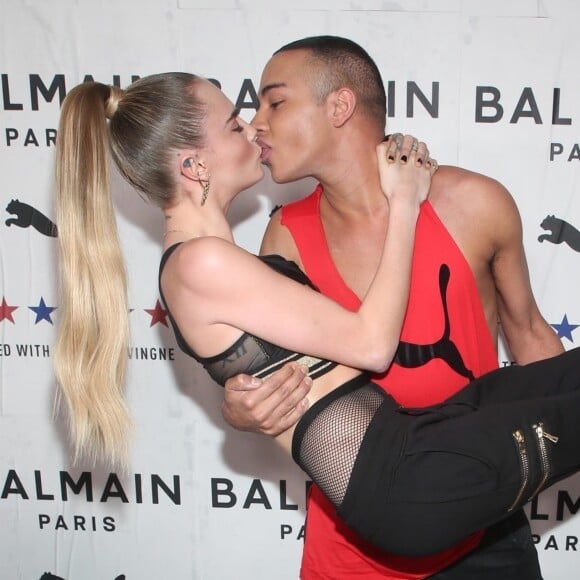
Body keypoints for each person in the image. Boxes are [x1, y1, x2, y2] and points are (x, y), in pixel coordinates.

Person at [51, 72, 580, 562]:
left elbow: (272, 367)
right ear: (194, 167)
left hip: (415, 444)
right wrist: (404, 205)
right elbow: (372, 346)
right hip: (404, 482)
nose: (254, 127)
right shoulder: (199, 262)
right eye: (235, 124)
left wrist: (239, 401)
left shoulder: (216, 259)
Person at [221, 36, 564, 578]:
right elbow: (274, 376)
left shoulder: (474, 203)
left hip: (482, 529)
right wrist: (240, 408)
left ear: (339, 106)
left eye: (275, 102)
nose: (256, 122)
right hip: (350, 540)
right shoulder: (285, 236)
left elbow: (529, 336)